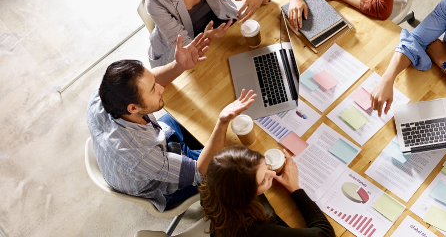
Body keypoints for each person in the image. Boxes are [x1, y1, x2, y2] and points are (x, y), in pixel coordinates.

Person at [86, 32, 257, 212]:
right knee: (239, 159)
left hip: (151, 144)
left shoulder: (104, 93)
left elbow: (149, 81)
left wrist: (178, 66)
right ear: (133, 108)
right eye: (153, 90)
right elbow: (200, 172)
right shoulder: (140, 156)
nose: (161, 88)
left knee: (200, 117)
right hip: (161, 184)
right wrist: (222, 122)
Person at [199, 147, 335, 237]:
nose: (272, 173)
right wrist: (295, 188)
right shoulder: (254, 229)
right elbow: (326, 233)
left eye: (266, 165)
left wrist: (257, 168)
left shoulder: (212, 185)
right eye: (263, 180)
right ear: (245, 196)